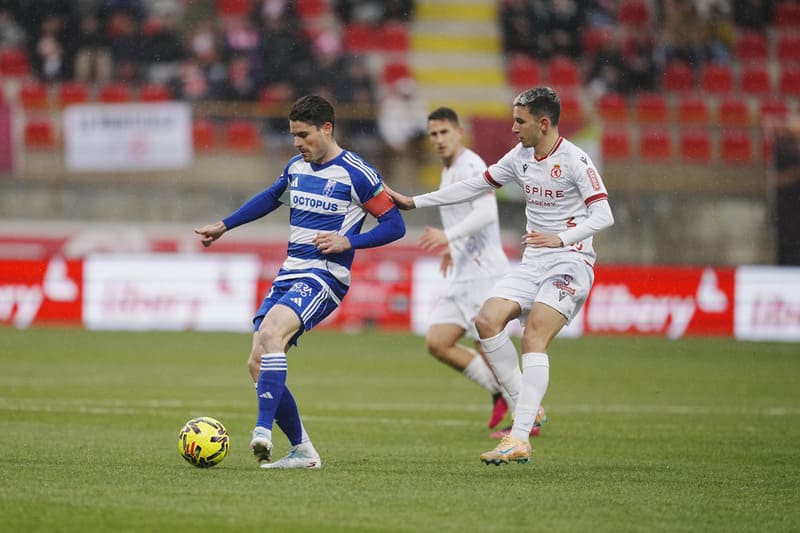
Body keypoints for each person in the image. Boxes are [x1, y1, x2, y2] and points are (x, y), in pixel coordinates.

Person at [386, 87, 614, 465]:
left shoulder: (576, 160)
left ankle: (520, 436)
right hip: (534, 260)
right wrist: (415, 201)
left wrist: (562, 237)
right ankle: (528, 403)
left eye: (520, 121)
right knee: (486, 321)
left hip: (571, 261)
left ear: (543, 123)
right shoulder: (520, 156)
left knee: (533, 335)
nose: (513, 128)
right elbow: (476, 186)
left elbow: (604, 215)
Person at [194, 94, 406, 469]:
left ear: (327, 129)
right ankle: (303, 451)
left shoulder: (357, 173)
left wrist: (349, 241)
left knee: (272, 331)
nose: (297, 143)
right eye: (293, 135)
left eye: (304, 135)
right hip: (291, 270)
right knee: (257, 362)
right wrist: (224, 225)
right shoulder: (296, 167)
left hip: (326, 274)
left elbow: (395, 224)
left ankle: (262, 431)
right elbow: (271, 198)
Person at [419, 106, 512, 431]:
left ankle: (528, 413)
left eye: (445, 132)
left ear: (459, 132)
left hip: (483, 273)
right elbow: (466, 217)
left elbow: (486, 212)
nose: (439, 139)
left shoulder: (471, 164)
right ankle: (501, 391)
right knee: (438, 341)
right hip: (464, 270)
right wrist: (451, 247)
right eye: (434, 134)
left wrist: (448, 235)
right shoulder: (448, 169)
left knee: (486, 344)